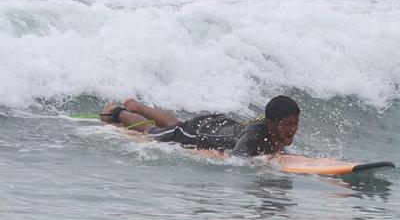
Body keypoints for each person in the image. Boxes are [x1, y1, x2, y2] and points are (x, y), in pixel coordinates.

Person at [100, 95, 300, 157]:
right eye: (287, 124)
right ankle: (116, 111)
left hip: (217, 125)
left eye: (296, 124)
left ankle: (137, 106)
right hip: (199, 133)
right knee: (151, 133)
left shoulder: (272, 131)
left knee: (176, 125)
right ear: (272, 123)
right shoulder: (255, 135)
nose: (292, 129)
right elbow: (236, 160)